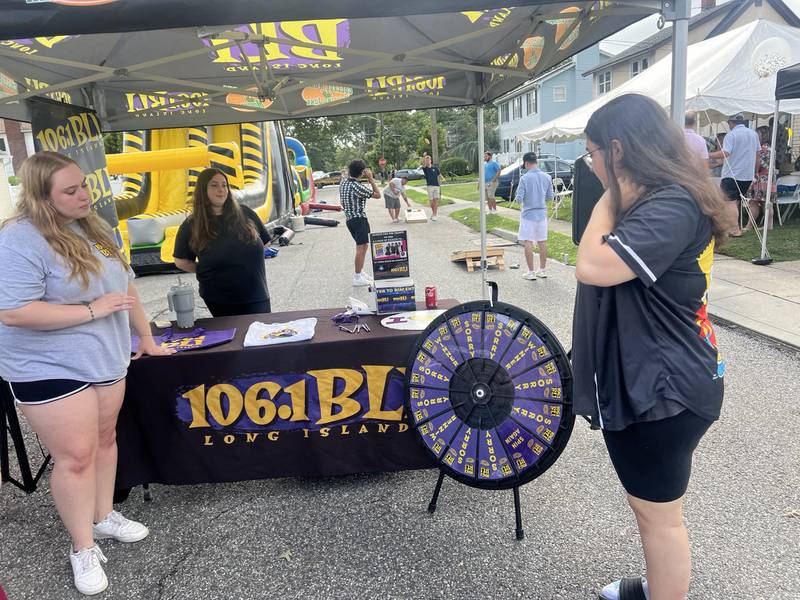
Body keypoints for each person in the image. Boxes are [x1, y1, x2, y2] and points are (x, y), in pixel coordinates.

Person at [573, 94, 729, 600]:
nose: (590, 164)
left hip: (665, 390)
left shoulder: (671, 203)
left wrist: (608, 195)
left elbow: (594, 266)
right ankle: (656, 589)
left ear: (617, 151)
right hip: (658, 379)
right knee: (651, 511)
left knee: (659, 519)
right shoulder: (662, 200)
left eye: (592, 153)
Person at [0, 151, 174, 596]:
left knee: (104, 441)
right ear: (42, 197)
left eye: (84, 185)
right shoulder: (20, 238)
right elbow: (14, 312)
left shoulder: (92, 225)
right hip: (47, 365)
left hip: (104, 357)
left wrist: (147, 338)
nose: (85, 195)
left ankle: (102, 517)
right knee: (76, 456)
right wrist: (90, 310)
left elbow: (126, 285)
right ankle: (81, 546)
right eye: (71, 190)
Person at [173, 168, 272, 317]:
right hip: (220, 298)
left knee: (261, 335)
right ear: (203, 190)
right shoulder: (192, 224)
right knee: (233, 338)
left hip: (256, 293)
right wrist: (207, 269)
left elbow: (265, 242)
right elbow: (181, 261)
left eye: (224, 185)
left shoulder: (245, 213)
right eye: (214, 185)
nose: (221, 190)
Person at [708, 113, 760, 236]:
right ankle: (730, 226)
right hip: (747, 175)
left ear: (730, 123)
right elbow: (758, 155)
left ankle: (735, 229)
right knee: (735, 201)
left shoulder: (731, 135)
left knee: (729, 202)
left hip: (732, 174)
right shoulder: (754, 134)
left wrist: (708, 154)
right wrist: (755, 171)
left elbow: (725, 153)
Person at [340, 159, 380, 286]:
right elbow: (378, 195)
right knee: (360, 248)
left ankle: (360, 271)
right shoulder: (356, 186)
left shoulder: (344, 182)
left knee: (364, 245)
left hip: (351, 219)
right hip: (358, 218)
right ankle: (357, 277)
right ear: (362, 172)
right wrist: (371, 179)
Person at [514, 152, 552, 280]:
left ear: (526, 163)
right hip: (542, 214)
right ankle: (542, 270)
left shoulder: (524, 178)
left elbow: (519, 199)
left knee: (528, 241)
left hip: (528, 214)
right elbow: (550, 197)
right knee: (542, 241)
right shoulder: (547, 177)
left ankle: (531, 272)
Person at [744, 126, 777, 232]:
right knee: (766, 202)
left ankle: (749, 226)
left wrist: (753, 170)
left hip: (760, 177)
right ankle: (769, 225)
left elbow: (759, 162)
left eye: (757, 133)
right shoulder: (771, 148)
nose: (755, 136)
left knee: (753, 202)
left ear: (763, 135)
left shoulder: (761, 149)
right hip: (768, 178)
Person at [421, 155, 444, 221]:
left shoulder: (435, 168)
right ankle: (433, 213)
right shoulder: (425, 168)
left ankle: (434, 215)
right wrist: (424, 157)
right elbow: (423, 164)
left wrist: (442, 179)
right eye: (426, 160)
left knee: (436, 201)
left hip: (436, 186)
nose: (427, 161)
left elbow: (439, 174)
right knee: (431, 202)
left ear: (431, 160)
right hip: (429, 187)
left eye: (428, 160)